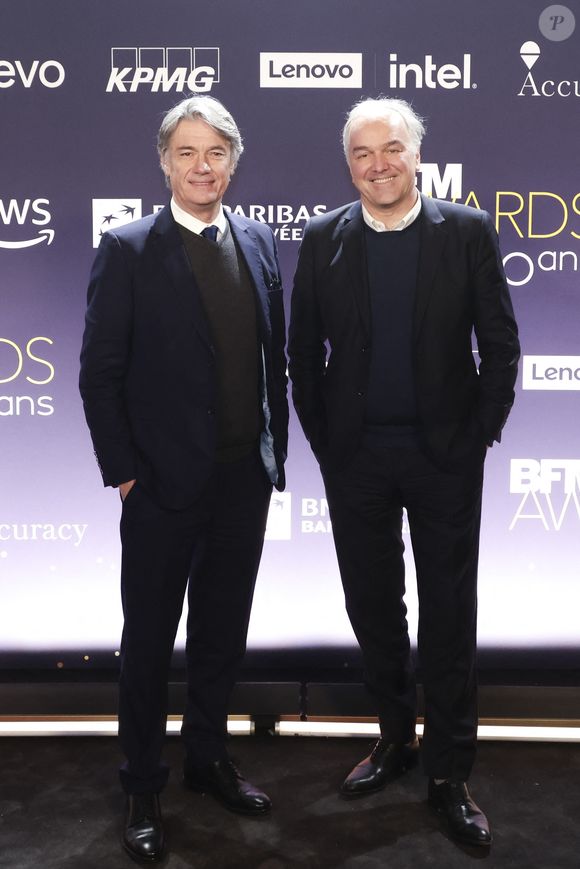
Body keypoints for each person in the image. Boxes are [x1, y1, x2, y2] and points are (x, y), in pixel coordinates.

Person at [288, 97, 519, 847]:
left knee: (449, 615)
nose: (378, 164)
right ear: (348, 164)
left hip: (444, 457)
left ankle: (449, 773)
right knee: (373, 604)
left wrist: (477, 435)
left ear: (417, 155)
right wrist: (328, 445)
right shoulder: (323, 238)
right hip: (357, 459)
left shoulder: (467, 231)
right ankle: (395, 738)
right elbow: (301, 355)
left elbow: (501, 346)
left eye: (392, 149)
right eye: (362, 153)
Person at [79, 95, 288, 863]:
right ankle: (142, 782)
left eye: (216, 152)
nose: (203, 166)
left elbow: (272, 359)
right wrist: (126, 477)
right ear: (165, 163)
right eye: (187, 152)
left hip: (242, 481)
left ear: (233, 162)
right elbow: (99, 374)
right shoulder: (128, 247)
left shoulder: (259, 241)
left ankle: (207, 758)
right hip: (161, 489)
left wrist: (272, 455)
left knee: (221, 634)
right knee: (148, 643)